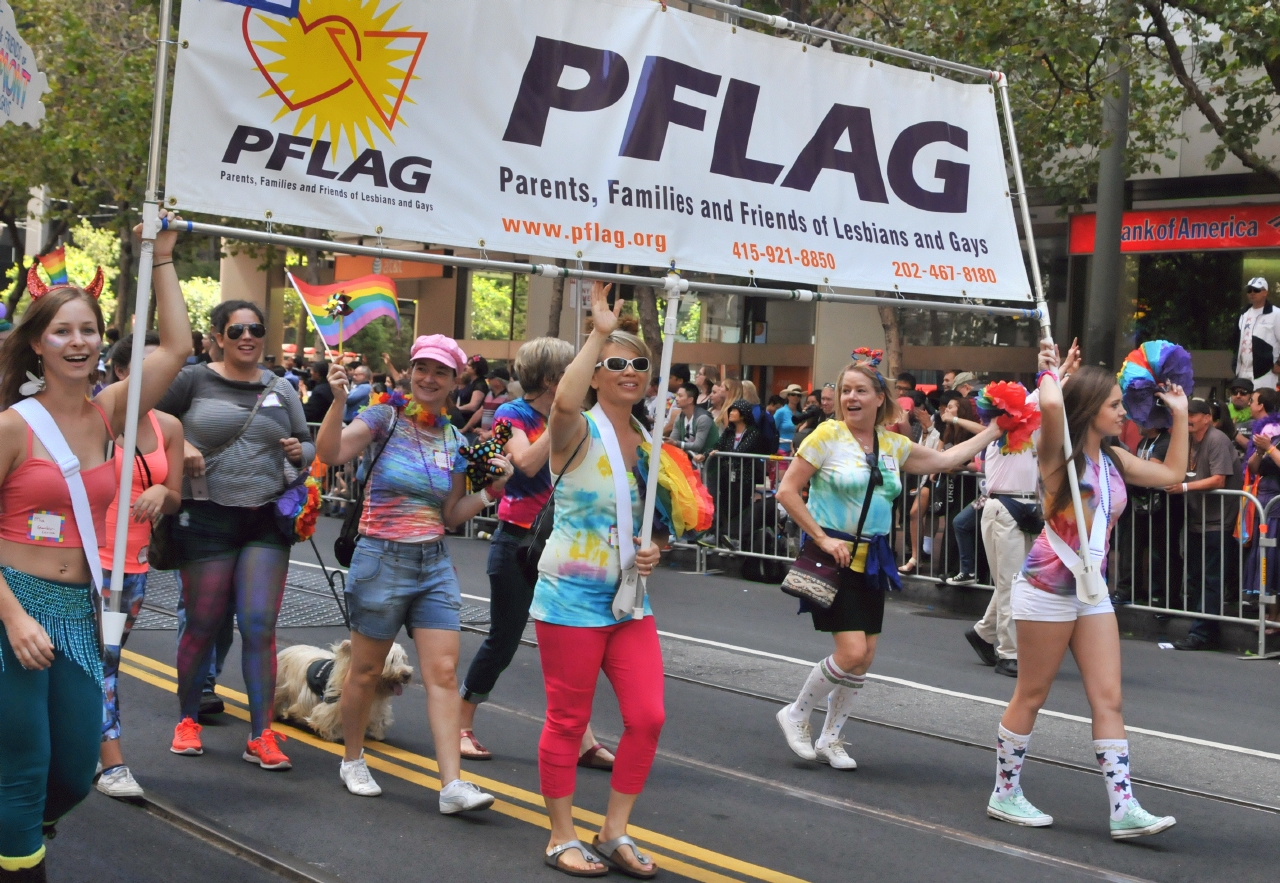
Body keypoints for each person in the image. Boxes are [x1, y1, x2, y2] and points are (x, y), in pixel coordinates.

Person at [0, 211, 191, 878]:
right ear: (38, 345)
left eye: (89, 329)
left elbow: (177, 347)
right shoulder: (13, 428)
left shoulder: (113, 412)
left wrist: (161, 255)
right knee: (22, 767)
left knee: (77, 768)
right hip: (13, 606)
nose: (78, 341)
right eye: (63, 330)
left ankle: (20, 831)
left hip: (77, 606)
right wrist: (14, 615)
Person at [988, 347, 1187, 839]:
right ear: (1090, 408)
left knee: (1109, 698)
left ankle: (1124, 806)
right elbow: (1052, 407)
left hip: (1091, 590)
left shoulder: (1115, 458)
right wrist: (1049, 368)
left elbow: (1172, 476)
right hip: (1047, 587)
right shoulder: (1057, 452)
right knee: (1032, 694)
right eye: (1115, 404)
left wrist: (1180, 416)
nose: (1124, 412)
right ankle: (1005, 792)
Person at [775, 357, 1001, 771]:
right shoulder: (826, 435)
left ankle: (831, 738)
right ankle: (796, 713)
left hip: (873, 560)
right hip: (833, 556)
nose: (850, 398)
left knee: (866, 656)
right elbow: (788, 491)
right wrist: (822, 537)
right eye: (846, 390)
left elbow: (945, 461)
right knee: (851, 650)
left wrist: (995, 430)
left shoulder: (891, 444)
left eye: (861, 390)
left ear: (881, 399)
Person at [314, 334, 506, 813]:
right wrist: (339, 401)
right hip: (381, 558)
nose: (428, 378)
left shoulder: (456, 440)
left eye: (440, 372)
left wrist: (492, 493)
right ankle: (353, 759)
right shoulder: (384, 417)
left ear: (455, 381)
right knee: (365, 670)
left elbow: (450, 515)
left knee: (442, 673)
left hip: (434, 564)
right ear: (410, 371)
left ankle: (451, 787)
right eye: (422, 368)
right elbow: (332, 452)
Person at [536, 282, 665, 878]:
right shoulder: (576, 428)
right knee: (567, 721)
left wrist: (653, 551)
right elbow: (562, 402)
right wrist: (595, 332)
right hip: (570, 597)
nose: (630, 370)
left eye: (639, 362)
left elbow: (647, 523)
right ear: (596, 374)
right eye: (617, 363)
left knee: (648, 717)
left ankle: (614, 830)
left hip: (629, 601)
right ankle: (561, 835)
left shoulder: (649, 440)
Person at [158, 300, 313, 771]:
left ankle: (261, 734)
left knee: (260, 626)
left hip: (264, 519)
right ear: (219, 336)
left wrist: (297, 449)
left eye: (256, 329)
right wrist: (181, 442)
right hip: (206, 516)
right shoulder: (193, 378)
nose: (247, 336)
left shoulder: (281, 386)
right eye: (237, 329)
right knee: (203, 624)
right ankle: (187, 720)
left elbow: (307, 443)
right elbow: (148, 423)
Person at [458, 339, 615, 770]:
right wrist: (567, 418)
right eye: (573, 372)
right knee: (504, 640)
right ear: (552, 380)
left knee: (572, 641)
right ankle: (461, 722)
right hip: (518, 542)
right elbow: (525, 463)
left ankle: (581, 738)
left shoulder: (578, 420)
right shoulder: (512, 415)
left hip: (564, 544)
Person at [95, 334, 185, 801]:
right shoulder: (96, 419)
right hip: (89, 563)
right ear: (120, 372)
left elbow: (175, 498)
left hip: (135, 566)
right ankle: (111, 762)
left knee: (104, 658)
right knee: (101, 660)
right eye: (146, 366)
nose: (157, 376)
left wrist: (160, 494)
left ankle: (84, 740)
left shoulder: (168, 425)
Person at [964, 417, 1040, 678]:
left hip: (1030, 508)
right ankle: (1009, 653)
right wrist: (1054, 376)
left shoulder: (1033, 432)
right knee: (1011, 583)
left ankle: (983, 632)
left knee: (1016, 582)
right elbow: (1039, 398)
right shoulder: (1000, 435)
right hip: (1005, 507)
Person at [1169, 397, 1241, 650]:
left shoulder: (1216, 439)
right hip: (1197, 519)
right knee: (1197, 576)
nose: (1189, 417)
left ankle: (1202, 633)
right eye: (1186, 413)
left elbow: (1219, 480)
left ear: (1208, 418)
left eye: (1194, 414)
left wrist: (1184, 487)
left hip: (1217, 520)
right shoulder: (1188, 439)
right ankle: (1206, 629)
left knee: (1210, 577)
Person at [1244, 387, 1280, 625]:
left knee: (1275, 558)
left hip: (1277, 500)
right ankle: (1267, 614)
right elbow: (1253, 467)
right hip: (1264, 499)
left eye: (1252, 401)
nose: (1248, 404)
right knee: (1264, 556)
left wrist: (1270, 448)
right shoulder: (1265, 431)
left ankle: (1275, 616)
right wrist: (1259, 450)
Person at [1233, 277, 1279, 392]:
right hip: (1243, 370)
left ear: (1265, 292)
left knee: (1263, 403)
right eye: (1249, 290)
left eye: (1256, 290)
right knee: (1243, 404)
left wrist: (1278, 364)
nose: (1252, 293)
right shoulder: (1243, 314)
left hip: (1265, 372)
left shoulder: (1276, 314)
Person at [667, 382, 718, 461]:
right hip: (690, 463)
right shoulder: (679, 418)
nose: (676, 398)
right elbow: (673, 439)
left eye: (680, 396)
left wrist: (676, 443)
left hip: (708, 464)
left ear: (690, 400)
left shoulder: (703, 418)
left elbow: (698, 446)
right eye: (677, 395)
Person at [452, 354, 488, 431]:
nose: (465, 367)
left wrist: (457, 409)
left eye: (468, 365)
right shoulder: (470, 383)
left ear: (475, 369)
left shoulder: (480, 384)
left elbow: (473, 406)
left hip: (471, 427)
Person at [775, 384, 804, 452]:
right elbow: (773, 430)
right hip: (781, 450)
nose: (796, 397)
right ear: (788, 396)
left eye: (798, 395)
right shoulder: (780, 412)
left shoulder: (801, 414)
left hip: (797, 451)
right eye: (793, 394)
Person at [1226, 380, 1253, 450]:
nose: (1238, 396)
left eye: (1243, 392)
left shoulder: (1256, 416)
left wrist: (1234, 432)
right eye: (1234, 392)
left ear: (1251, 395)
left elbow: (1255, 449)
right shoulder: (1223, 412)